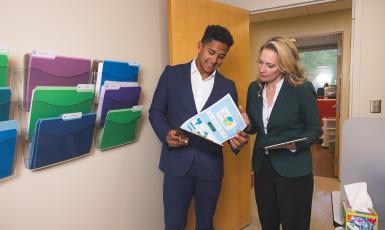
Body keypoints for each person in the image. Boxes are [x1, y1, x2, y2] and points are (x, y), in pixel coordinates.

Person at [149, 25, 250, 230]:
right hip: (176, 164)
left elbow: (229, 130)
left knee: (205, 224)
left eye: (221, 56)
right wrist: (165, 133)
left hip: (210, 168)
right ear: (200, 46)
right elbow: (155, 111)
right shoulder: (171, 74)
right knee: (174, 225)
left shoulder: (228, 86)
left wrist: (237, 143)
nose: (214, 61)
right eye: (211, 52)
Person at [242, 36, 322, 230]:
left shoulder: (302, 89)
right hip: (262, 167)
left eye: (270, 65)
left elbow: (314, 130)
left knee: (294, 224)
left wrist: (295, 144)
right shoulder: (254, 89)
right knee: (268, 223)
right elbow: (255, 129)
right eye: (260, 62)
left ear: (284, 67)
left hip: (293, 167)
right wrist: (246, 123)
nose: (262, 69)